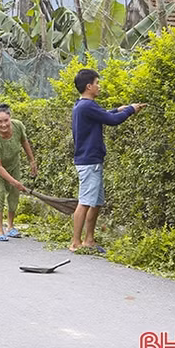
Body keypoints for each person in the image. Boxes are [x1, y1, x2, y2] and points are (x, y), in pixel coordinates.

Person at [70, 69, 146, 252]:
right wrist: (130, 110)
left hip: (92, 160)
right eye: (97, 83)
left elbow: (104, 115)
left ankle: (89, 240)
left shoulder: (84, 105)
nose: (99, 86)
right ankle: (75, 242)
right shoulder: (87, 106)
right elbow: (112, 121)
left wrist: (118, 109)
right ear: (89, 86)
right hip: (89, 162)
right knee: (85, 201)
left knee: (95, 202)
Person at [0, 104, 38, 241]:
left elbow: (24, 141)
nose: (4, 124)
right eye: (0, 121)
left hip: (13, 162)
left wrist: (32, 161)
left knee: (13, 193)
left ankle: (10, 226)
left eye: (6, 120)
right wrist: (14, 181)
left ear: (10, 118)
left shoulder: (17, 126)